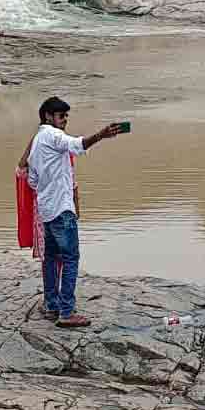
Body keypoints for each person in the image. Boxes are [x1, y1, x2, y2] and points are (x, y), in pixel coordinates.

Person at [26, 97, 123, 328]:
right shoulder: (52, 135)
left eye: (66, 116)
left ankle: (51, 305)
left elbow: (31, 179)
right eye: (61, 116)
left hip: (47, 210)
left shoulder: (37, 141)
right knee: (70, 259)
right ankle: (66, 312)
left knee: (51, 258)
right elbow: (77, 144)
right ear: (48, 116)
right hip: (61, 209)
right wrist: (101, 135)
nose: (65, 120)